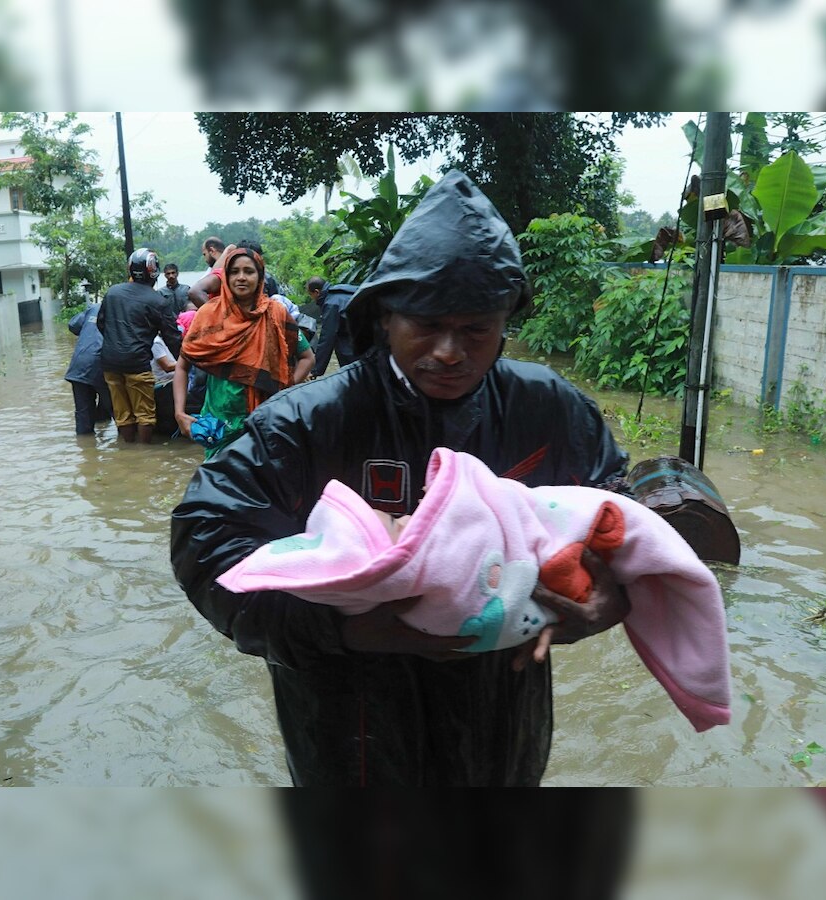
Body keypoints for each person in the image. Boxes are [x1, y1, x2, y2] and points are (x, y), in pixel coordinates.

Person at [170, 170, 633, 786]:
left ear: (504, 324)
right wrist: (342, 629)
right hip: (346, 717)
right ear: (385, 317)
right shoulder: (308, 419)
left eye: (475, 328)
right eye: (427, 324)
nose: (449, 350)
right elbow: (204, 537)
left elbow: (624, 510)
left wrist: (609, 596)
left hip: (503, 711)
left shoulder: (547, 408)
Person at [172, 246, 315, 459]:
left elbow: (307, 358)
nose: (241, 277)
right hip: (219, 421)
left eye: (249, 271)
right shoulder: (209, 314)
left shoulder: (276, 314)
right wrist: (179, 413)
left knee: (264, 485)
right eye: (234, 271)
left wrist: (284, 391)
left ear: (260, 277)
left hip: (266, 419)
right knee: (218, 484)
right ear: (226, 277)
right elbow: (182, 366)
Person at [97, 247, 182, 444]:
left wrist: (115, 342)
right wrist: (186, 362)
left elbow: (102, 324)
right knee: (145, 414)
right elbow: (172, 338)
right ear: (154, 271)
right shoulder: (158, 301)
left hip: (109, 363)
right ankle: (144, 453)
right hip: (137, 362)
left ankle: (128, 450)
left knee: (122, 413)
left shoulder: (113, 293)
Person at [65, 301, 113, 434]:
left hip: (79, 366)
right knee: (120, 414)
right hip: (104, 366)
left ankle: (86, 450)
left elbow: (73, 325)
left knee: (83, 416)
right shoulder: (122, 309)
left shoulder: (94, 308)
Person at [307, 276, 360, 377]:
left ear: (317, 292)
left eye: (310, 294)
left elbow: (327, 338)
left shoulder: (331, 304)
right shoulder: (339, 291)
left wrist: (315, 370)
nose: (312, 298)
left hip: (358, 341)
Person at [186, 236, 228, 307]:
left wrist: (213, 315)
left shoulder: (223, 271)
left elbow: (194, 292)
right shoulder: (212, 271)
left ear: (212, 251)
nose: (205, 259)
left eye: (204, 254)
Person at [150, 332, 179, 435]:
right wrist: (187, 361)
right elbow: (167, 366)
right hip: (164, 384)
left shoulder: (158, 340)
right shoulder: (155, 342)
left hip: (167, 382)